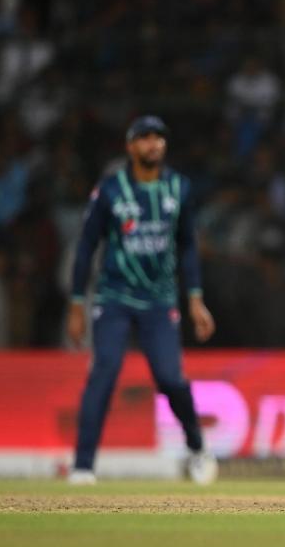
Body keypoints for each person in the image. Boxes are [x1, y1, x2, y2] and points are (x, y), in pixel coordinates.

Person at [66, 115, 218, 485]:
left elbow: (187, 247)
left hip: (158, 299)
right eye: (145, 138)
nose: (154, 144)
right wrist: (76, 303)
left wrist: (195, 300)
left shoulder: (178, 188)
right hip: (114, 296)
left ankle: (198, 449)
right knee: (103, 373)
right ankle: (83, 467)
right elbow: (86, 246)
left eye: (159, 138)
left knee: (170, 378)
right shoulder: (111, 190)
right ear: (130, 146)